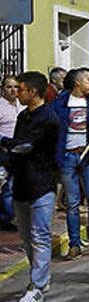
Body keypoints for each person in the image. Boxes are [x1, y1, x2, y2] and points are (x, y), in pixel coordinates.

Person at [6, 72, 60, 302]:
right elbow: (15, 150)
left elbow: (25, 146)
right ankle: (41, 277)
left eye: (20, 89)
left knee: (40, 236)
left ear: (33, 91)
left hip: (42, 184)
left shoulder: (49, 118)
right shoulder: (23, 117)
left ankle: (37, 285)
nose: (16, 93)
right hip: (21, 183)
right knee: (27, 238)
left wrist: (2, 142)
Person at [50, 67, 89, 259]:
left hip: (88, 156)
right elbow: (52, 127)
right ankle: (75, 244)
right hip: (67, 157)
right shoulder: (60, 103)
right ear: (78, 82)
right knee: (72, 203)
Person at [0, 75, 23, 231]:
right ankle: (6, 218)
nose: (13, 90)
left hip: (21, 152)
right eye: (9, 87)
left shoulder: (22, 105)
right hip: (4, 152)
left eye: (16, 87)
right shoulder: (1, 106)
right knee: (6, 186)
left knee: (16, 185)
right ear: (3, 89)